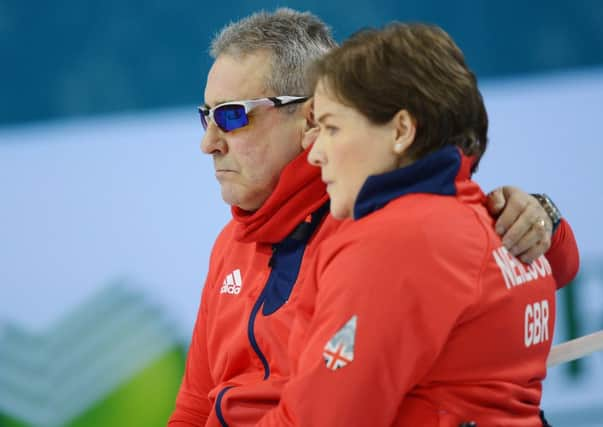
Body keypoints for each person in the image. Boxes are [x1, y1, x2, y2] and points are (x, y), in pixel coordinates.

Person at [168, 9, 579, 427]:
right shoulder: (232, 243)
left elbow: (324, 419)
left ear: (309, 118)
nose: (209, 143)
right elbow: (193, 411)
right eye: (207, 116)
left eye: (232, 115)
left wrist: (543, 218)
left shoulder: (389, 229)